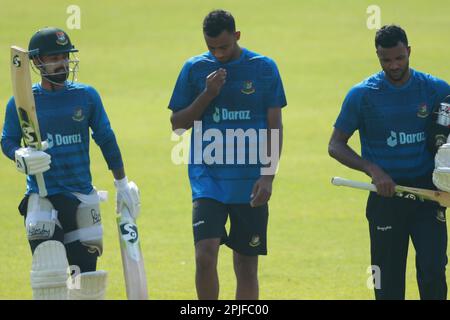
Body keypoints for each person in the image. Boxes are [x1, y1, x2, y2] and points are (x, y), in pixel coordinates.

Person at [1, 27, 140, 300]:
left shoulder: (86, 96)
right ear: (37, 62)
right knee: (49, 275)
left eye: (65, 56)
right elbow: (7, 140)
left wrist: (122, 184)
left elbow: (106, 139)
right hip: (43, 196)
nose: (62, 63)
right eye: (55, 57)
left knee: (84, 283)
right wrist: (21, 155)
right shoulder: (22, 101)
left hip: (81, 198)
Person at [168, 10, 286, 300]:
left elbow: (275, 125)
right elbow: (178, 125)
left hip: (250, 183)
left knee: (246, 265)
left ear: (237, 36)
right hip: (208, 180)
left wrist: (268, 177)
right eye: (212, 48)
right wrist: (208, 94)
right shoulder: (194, 69)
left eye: (224, 46)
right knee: (204, 257)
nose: (218, 53)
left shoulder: (264, 68)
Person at [329, 24, 450, 300]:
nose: (394, 65)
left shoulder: (437, 90)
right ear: (377, 55)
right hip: (386, 196)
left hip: (428, 195)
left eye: (399, 58)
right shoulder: (362, 95)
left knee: (433, 270)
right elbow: (335, 144)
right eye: (386, 60)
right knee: (387, 280)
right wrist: (373, 170)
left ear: (409, 51)